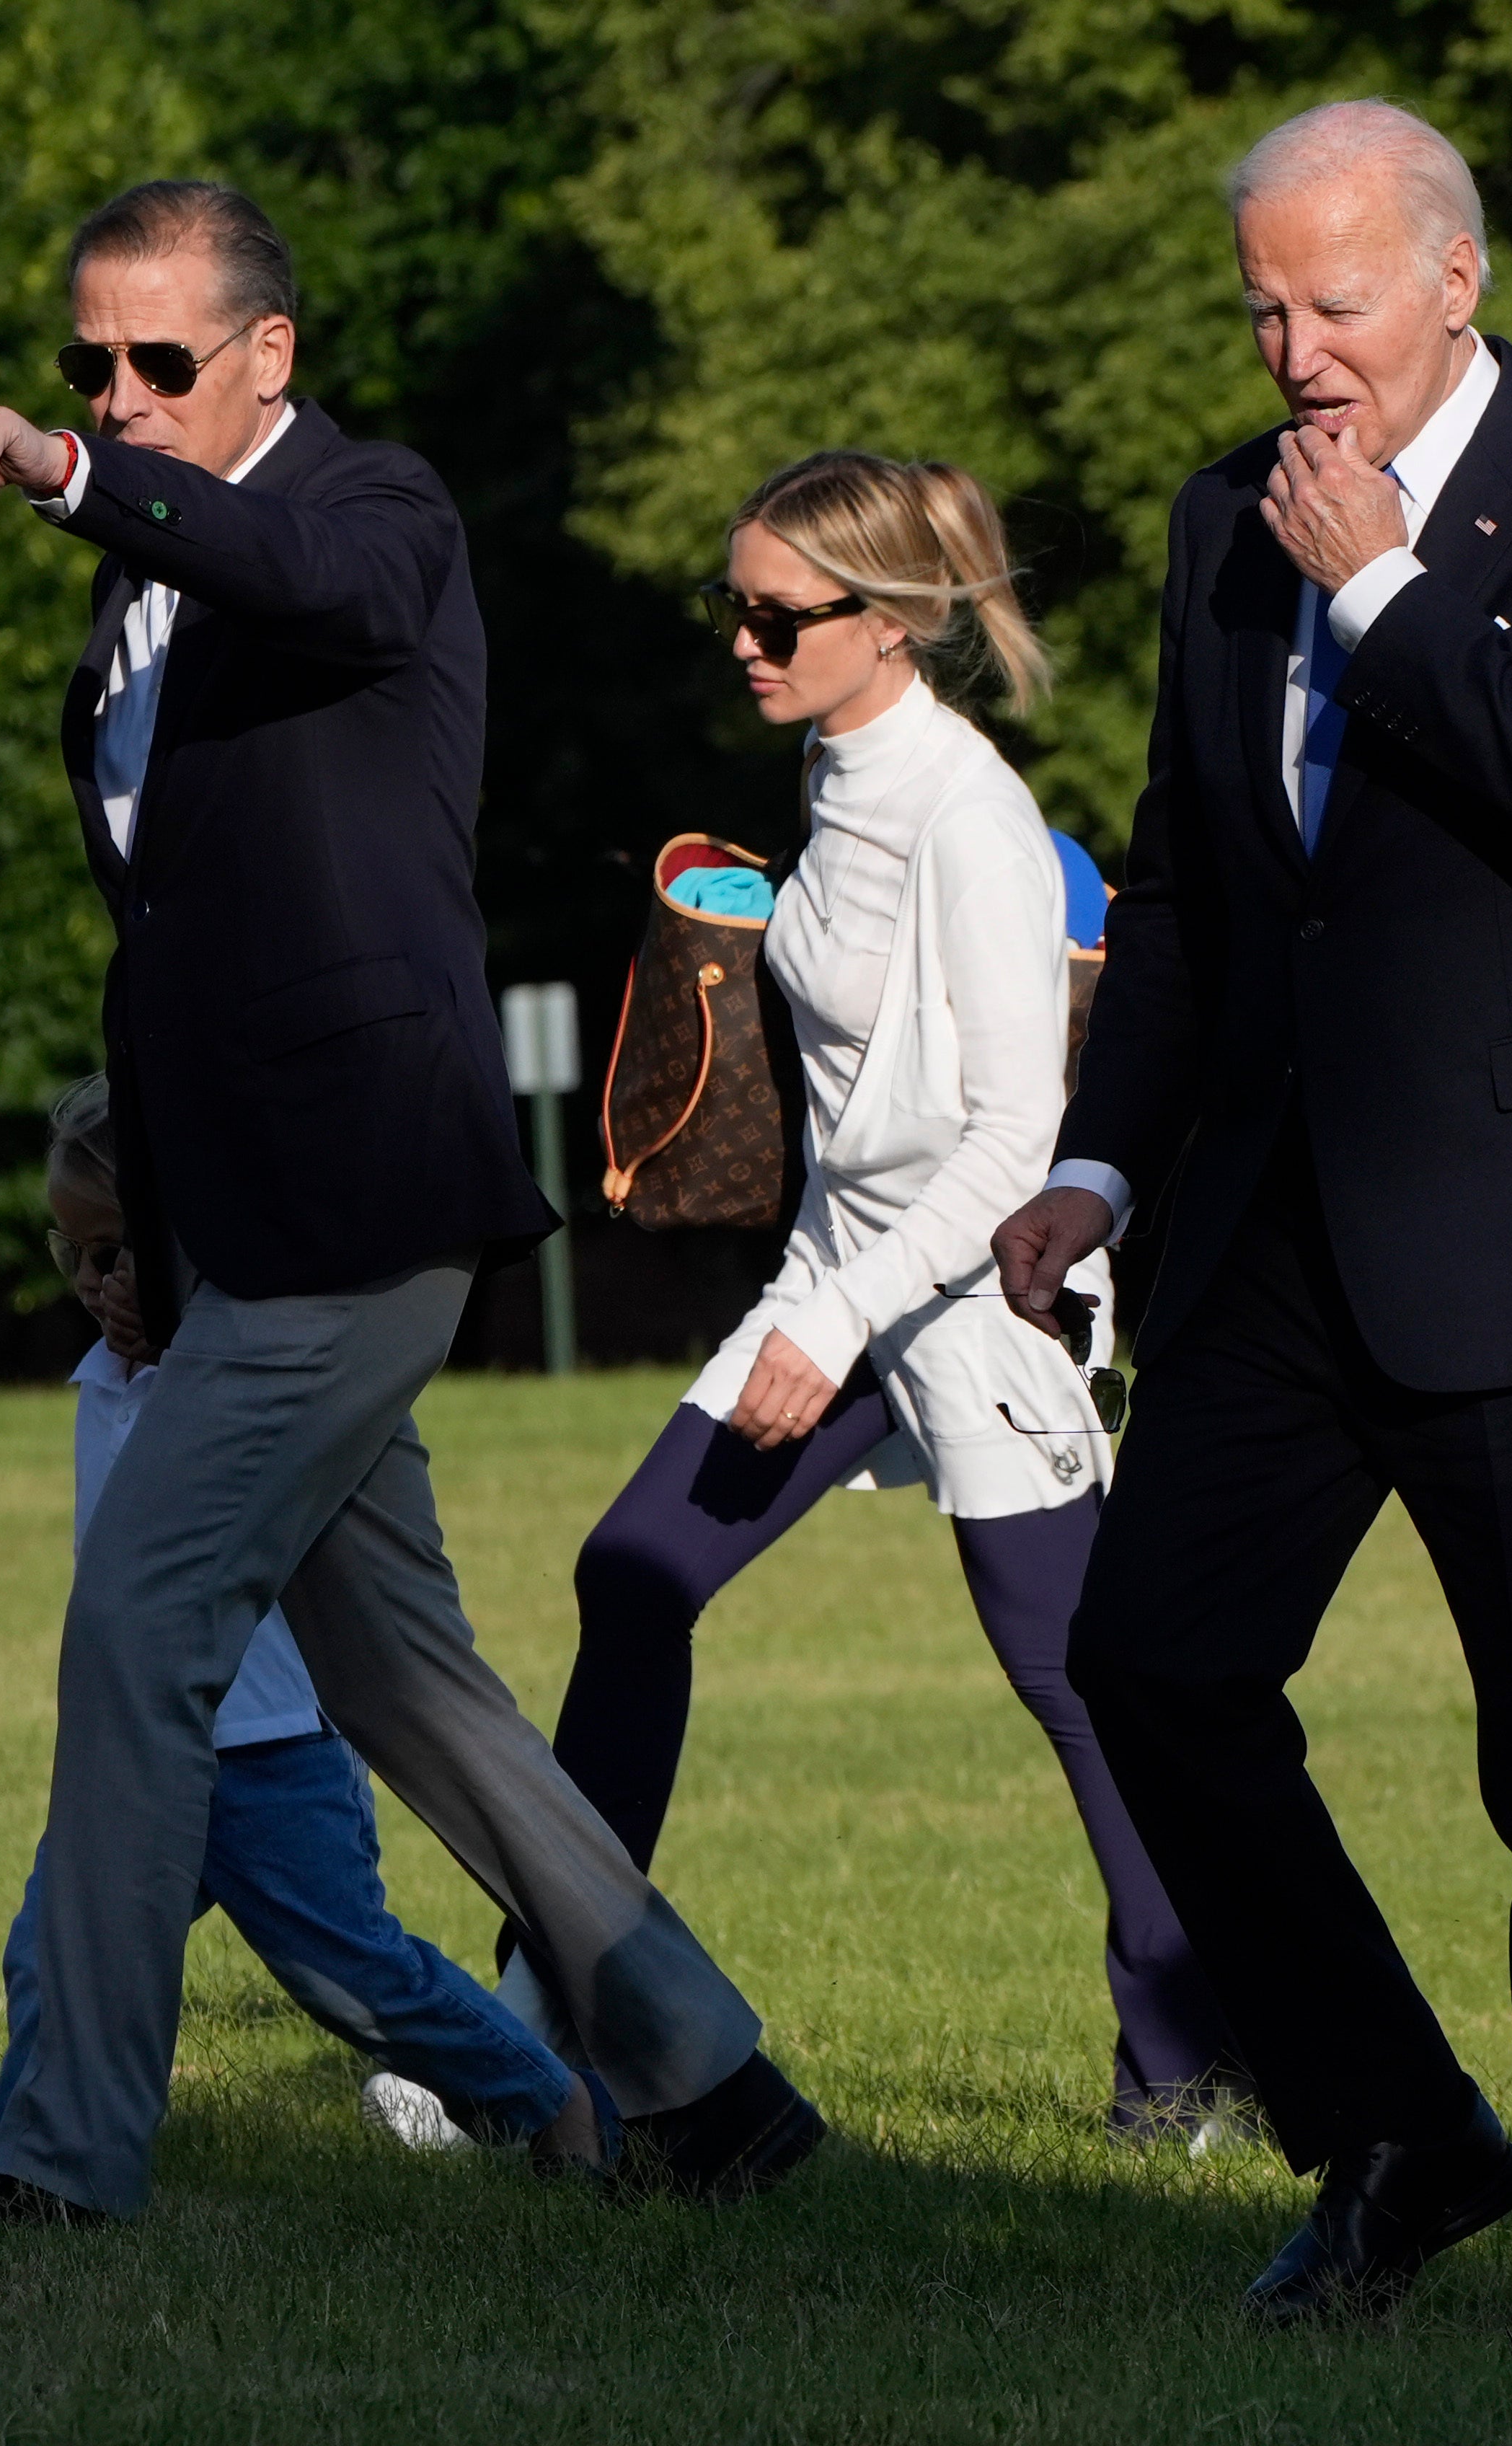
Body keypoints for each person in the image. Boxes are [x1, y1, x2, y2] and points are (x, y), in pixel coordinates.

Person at [0, 177, 814, 2226]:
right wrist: (132, 1212)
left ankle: (61, 2165)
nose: (115, 401)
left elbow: (291, 572)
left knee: (136, 1630)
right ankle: (713, 2087)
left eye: (156, 366)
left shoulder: (375, 516)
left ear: (270, 356)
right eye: (81, 372)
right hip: (241, 1226)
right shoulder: (131, 596)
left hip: (364, 1204)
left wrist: (50, 472)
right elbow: (177, 950)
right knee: (409, 1685)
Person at [990, 98, 1512, 2330]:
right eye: (1261, 310)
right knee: (1150, 1660)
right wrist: (1098, 1160)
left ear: (1451, 283)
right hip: (1274, 1233)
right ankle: (1402, 2142)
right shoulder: (1222, 519)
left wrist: (1386, 589)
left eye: (1331, 303)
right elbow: (1190, 880)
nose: (1296, 353)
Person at [539, 450, 1240, 2142]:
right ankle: (545, 2023)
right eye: (734, 605)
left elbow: (1013, 1136)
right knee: (632, 1577)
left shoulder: (970, 816)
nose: (744, 641)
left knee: (1082, 1685)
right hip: (840, 1273)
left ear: (896, 619)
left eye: (778, 615)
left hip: (971, 1296)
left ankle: (1196, 2061)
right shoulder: (834, 773)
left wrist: (838, 1317)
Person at [4, 1078, 575, 2160]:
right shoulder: (101, 1380)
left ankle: (548, 2103)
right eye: (70, 1254)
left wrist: (179, 1344)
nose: (92, 1282)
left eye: (117, 1252)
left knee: (350, 1977)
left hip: (272, 1752)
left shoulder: (250, 1383)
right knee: (51, 1953)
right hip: (142, 1745)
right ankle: (34, 2167)